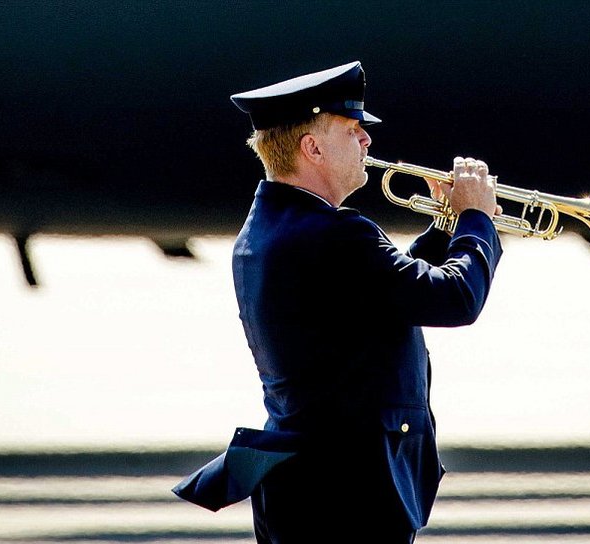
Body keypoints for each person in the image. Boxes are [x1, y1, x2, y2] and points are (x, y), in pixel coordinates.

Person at [173, 61, 502, 543]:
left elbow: (380, 293)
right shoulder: (338, 233)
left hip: (308, 487)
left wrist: (448, 227)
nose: (368, 140)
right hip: (349, 495)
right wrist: (477, 221)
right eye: (353, 130)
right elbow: (455, 299)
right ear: (313, 147)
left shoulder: (268, 229)